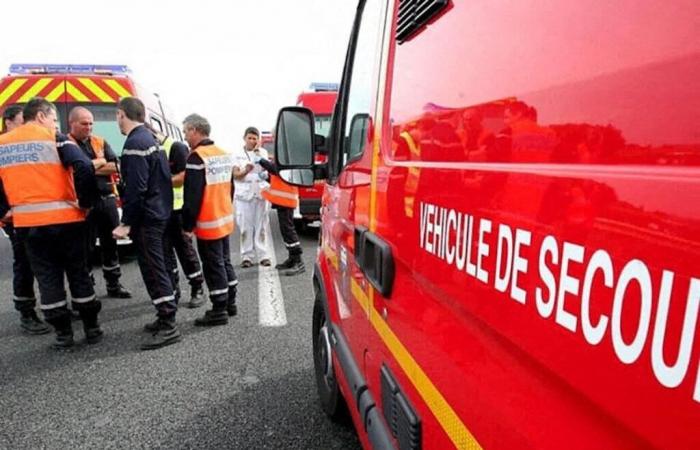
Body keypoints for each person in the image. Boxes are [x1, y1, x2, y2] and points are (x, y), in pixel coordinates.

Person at [0, 97, 101, 348]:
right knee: (78, 273)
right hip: (66, 220)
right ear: (42, 116)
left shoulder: (2, 144)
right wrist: (86, 203)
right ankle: (91, 328)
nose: (55, 124)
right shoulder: (56, 138)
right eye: (54, 119)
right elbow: (85, 167)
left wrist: (3, 210)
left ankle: (63, 334)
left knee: (48, 278)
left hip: (26, 224)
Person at [112, 97, 179, 350]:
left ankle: (168, 323)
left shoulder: (134, 144)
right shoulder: (151, 140)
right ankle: (165, 316)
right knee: (159, 266)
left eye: (116, 117)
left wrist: (126, 223)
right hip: (160, 214)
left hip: (147, 219)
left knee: (153, 270)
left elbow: (136, 189)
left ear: (121, 114)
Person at [68, 107, 131, 299]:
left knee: (110, 244)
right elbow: (72, 170)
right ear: (72, 124)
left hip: (107, 200)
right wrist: (99, 162)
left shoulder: (99, 141)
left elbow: (116, 166)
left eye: (91, 123)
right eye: (84, 123)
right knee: (84, 248)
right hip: (82, 203)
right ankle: (88, 288)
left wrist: (87, 166)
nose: (89, 127)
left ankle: (114, 284)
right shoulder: (66, 144)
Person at [181, 113, 238, 324]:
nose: (185, 136)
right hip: (223, 217)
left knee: (213, 265)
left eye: (186, 131)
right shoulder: (223, 154)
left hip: (208, 221)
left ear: (195, 130)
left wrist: (187, 225)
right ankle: (231, 302)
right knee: (224, 262)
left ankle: (219, 309)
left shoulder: (197, 157)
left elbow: (192, 196)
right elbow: (231, 188)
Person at [0, 105, 50, 334]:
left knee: (41, 261)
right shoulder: (3, 145)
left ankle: (48, 306)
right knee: (24, 263)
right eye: (22, 121)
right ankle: (26, 312)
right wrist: (3, 210)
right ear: (8, 121)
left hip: (34, 212)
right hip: (15, 216)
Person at [145, 123, 205, 308]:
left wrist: (156, 183)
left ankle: (197, 287)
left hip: (177, 209)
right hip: (160, 210)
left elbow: (184, 176)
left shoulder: (176, 147)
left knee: (185, 252)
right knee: (165, 253)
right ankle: (173, 290)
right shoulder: (151, 149)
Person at [257, 157, 305, 275]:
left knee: (289, 231)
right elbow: (279, 177)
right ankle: (292, 259)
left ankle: (299, 262)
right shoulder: (284, 160)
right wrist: (267, 177)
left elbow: (277, 170)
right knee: (286, 231)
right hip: (283, 201)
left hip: (286, 201)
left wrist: (262, 161)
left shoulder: (288, 160)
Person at [233, 127, 271, 268]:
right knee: (245, 227)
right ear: (244, 138)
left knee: (261, 226)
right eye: (250, 138)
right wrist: (246, 170)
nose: (252, 141)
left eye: (255, 138)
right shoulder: (237, 154)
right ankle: (246, 256)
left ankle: (263, 255)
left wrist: (264, 175)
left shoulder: (263, 153)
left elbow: (267, 171)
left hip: (260, 193)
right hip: (244, 195)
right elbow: (235, 174)